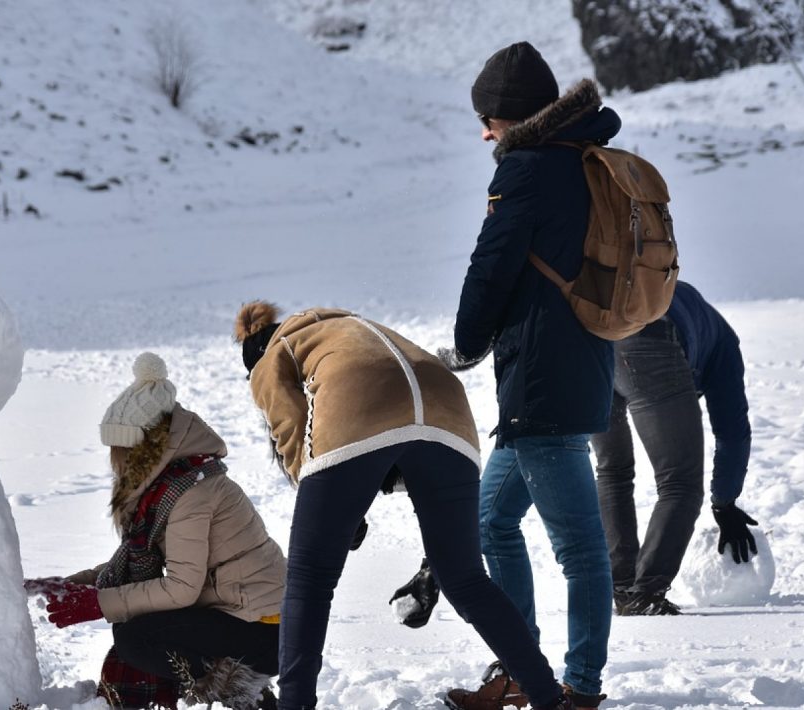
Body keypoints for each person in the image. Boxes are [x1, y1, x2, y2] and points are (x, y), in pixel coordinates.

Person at [234, 301, 575, 710]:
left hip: (360, 403)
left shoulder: (273, 354)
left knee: (310, 577)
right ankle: (549, 698)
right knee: (466, 579)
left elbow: (290, 427)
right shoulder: (351, 327)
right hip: (448, 409)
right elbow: (400, 424)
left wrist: (321, 495)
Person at [439, 42, 618, 710]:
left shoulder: (528, 170)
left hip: (544, 380)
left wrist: (463, 345)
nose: (484, 132)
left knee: (578, 548)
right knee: (492, 523)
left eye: (489, 118)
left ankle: (579, 688)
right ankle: (520, 667)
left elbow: (492, 266)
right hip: (571, 369)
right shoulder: (581, 157)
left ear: (512, 116)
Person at [25, 352, 286, 710]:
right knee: (136, 628)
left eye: (122, 449)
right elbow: (134, 564)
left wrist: (99, 603)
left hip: (262, 628)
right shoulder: (174, 484)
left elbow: (180, 588)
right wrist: (74, 583)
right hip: (237, 614)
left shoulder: (192, 492)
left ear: (147, 448)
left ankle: (241, 689)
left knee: (138, 639)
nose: (116, 460)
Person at [591, 280, 758, 616]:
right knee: (680, 483)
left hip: (592, 338)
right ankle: (646, 594)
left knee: (612, 470)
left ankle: (623, 590)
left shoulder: (693, 314)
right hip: (650, 340)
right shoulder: (723, 343)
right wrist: (724, 503)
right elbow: (733, 432)